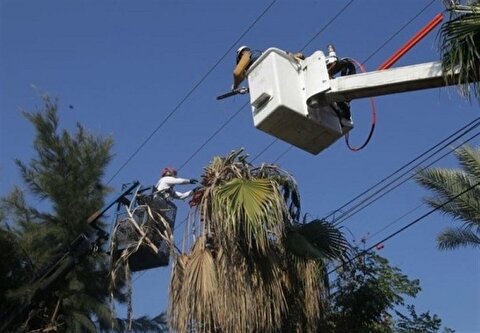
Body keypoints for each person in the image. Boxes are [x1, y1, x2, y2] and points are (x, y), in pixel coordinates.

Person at [232, 46, 305, 90]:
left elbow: (237, 73)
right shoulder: (267, 57)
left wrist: (235, 86)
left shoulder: (248, 54)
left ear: (242, 54)